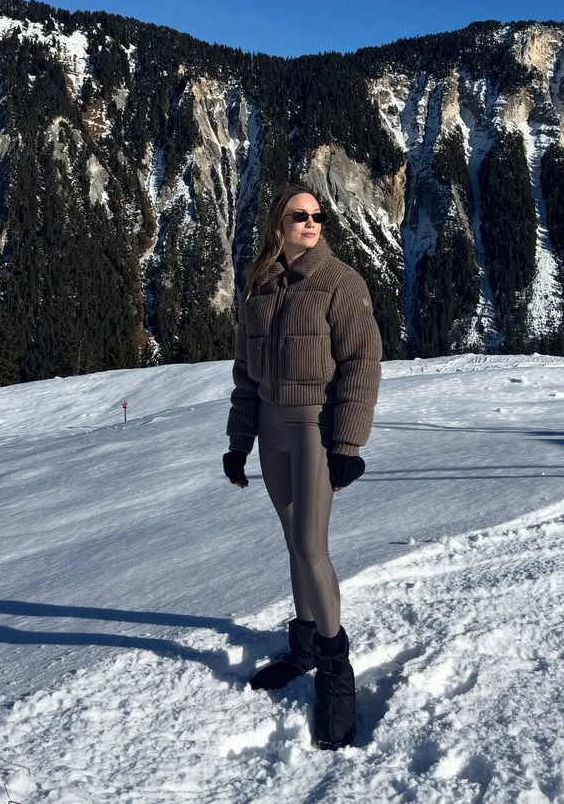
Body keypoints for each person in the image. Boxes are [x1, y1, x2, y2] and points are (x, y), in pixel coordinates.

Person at [223, 182, 383, 750]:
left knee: (313, 548)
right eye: (299, 215)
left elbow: (362, 365)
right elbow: (246, 374)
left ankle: (336, 669)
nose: (311, 223)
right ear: (278, 225)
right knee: (294, 542)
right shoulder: (259, 286)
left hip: (315, 429)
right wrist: (239, 442)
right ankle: (305, 646)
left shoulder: (341, 282)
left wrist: (347, 445)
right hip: (271, 430)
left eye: (317, 215)